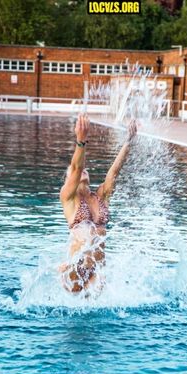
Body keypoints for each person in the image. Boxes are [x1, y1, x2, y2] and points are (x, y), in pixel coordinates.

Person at [59, 114, 137, 294]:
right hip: (76, 268)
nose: (82, 170)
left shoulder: (100, 197)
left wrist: (129, 141)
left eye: (85, 169)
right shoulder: (68, 197)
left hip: (98, 268)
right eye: (76, 172)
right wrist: (81, 140)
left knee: (95, 310)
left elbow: (114, 173)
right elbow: (77, 167)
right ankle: (63, 269)